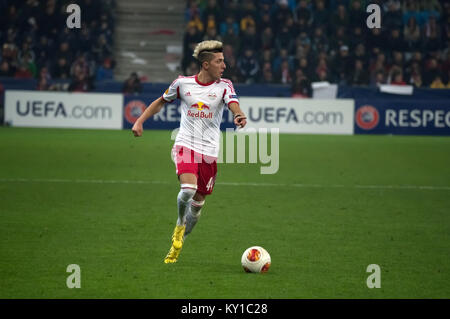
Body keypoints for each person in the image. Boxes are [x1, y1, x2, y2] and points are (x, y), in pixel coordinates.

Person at [131, 40, 247, 264]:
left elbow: (233, 103)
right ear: (205, 64)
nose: (224, 65)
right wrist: (140, 121)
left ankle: (181, 237)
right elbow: (160, 101)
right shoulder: (182, 84)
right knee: (188, 189)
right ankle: (178, 225)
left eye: (224, 60)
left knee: (198, 204)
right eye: (219, 61)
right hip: (185, 144)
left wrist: (238, 114)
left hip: (209, 152)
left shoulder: (225, 85)